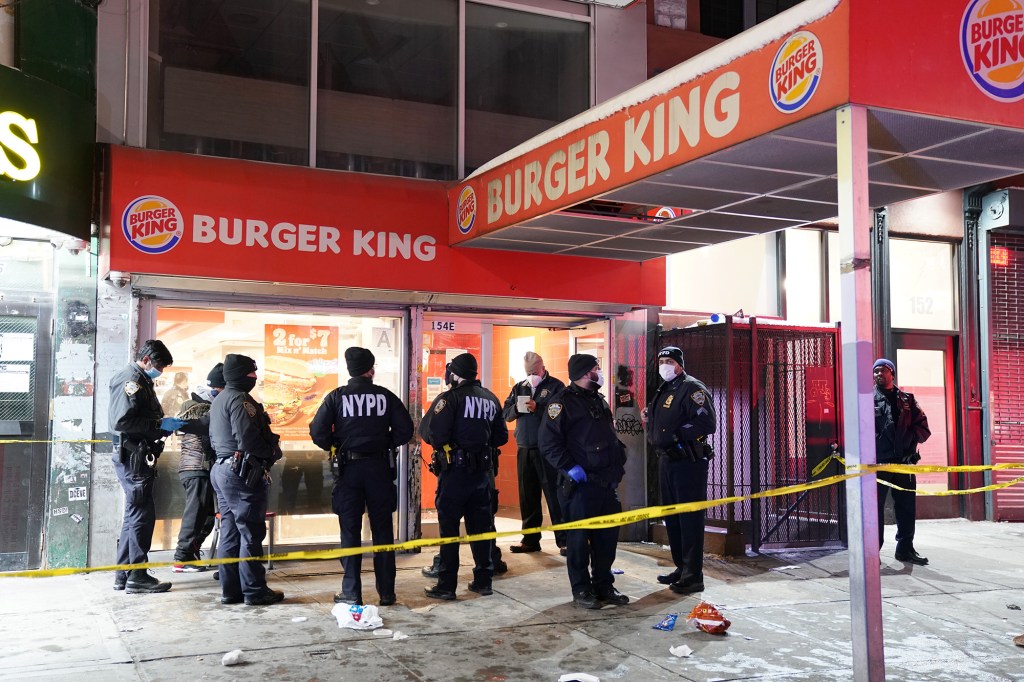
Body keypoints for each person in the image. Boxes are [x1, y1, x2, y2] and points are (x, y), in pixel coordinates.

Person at [309, 347, 414, 607]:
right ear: (371, 370)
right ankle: (387, 593)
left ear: (349, 370)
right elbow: (406, 430)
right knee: (383, 532)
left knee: (350, 531)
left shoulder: (336, 397)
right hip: (379, 469)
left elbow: (317, 432)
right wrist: (384, 442)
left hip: (349, 471)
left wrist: (339, 443)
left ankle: (351, 591)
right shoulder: (385, 396)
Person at [538, 354, 628, 609]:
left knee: (606, 540)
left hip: (605, 484)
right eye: (595, 368)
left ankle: (603, 586)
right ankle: (581, 589)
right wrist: (570, 467)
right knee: (578, 543)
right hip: (580, 487)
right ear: (585, 373)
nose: (598, 372)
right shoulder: (561, 404)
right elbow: (548, 443)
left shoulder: (598, 400)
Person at [420, 352, 508, 600]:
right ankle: (483, 581)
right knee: (481, 529)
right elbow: (501, 437)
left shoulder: (450, 399)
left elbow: (433, 435)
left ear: (454, 374)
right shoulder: (491, 398)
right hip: (482, 476)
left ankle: (446, 585)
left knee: (449, 531)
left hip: (455, 475)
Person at [109, 339, 184, 593]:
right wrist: (158, 426)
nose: (161, 371)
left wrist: (161, 422)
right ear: (147, 360)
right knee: (141, 515)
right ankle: (137, 576)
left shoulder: (141, 379)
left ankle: (124, 575)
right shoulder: (131, 380)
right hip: (134, 458)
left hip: (137, 456)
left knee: (133, 515)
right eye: (159, 366)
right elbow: (122, 422)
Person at [209, 354, 284, 606]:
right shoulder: (241, 400)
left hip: (222, 469)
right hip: (241, 472)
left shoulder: (219, 400)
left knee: (230, 532)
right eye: (252, 374)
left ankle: (231, 591)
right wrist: (272, 452)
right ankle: (254, 590)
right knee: (251, 532)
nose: (255, 378)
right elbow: (248, 439)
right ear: (241, 375)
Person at [644, 346, 717, 596]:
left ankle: (693, 575)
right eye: (661, 360)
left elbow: (707, 422)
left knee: (689, 519)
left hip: (688, 462)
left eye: (669, 360)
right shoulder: (665, 388)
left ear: (679, 364)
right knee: (673, 518)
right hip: (667, 461)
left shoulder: (692, 387)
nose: (664, 364)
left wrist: (676, 435)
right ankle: (681, 567)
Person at [502, 351, 567, 555]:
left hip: (548, 450)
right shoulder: (519, 387)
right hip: (524, 448)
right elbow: (505, 413)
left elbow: (560, 413)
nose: (532, 375)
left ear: (542, 367)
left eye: (535, 371)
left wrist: (538, 407)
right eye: (528, 372)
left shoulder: (556, 386)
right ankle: (530, 540)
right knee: (527, 496)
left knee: (554, 496)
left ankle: (564, 541)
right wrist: (517, 409)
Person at [873, 358, 931, 565]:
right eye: (876, 371)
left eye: (882, 371)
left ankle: (905, 549)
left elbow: (924, 428)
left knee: (906, 507)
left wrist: (909, 438)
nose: (878, 374)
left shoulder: (907, 400)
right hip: (877, 465)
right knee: (874, 510)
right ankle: (873, 553)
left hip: (904, 463)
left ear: (892, 374)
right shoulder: (867, 400)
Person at [172, 363, 225, 572]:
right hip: (198, 468)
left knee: (207, 516)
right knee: (195, 514)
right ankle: (182, 557)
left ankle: (190, 553)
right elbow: (205, 436)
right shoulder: (203, 407)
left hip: (197, 468)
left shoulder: (196, 404)